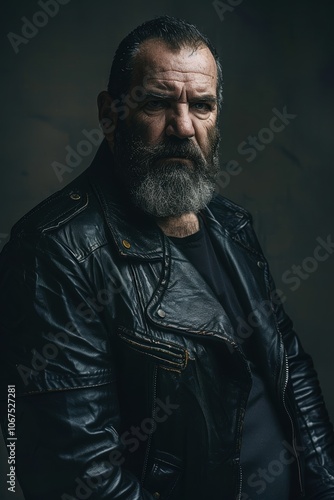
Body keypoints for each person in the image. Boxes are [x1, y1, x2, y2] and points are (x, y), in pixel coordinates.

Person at [0, 15, 333, 500]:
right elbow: (78, 479)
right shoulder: (53, 252)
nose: (183, 127)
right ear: (109, 113)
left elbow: (291, 374)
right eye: (157, 103)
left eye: (202, 106)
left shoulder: (230, 223)